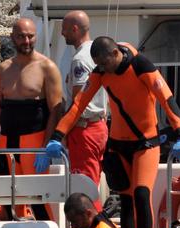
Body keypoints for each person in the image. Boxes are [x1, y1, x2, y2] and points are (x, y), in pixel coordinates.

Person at [46, 36, 180, 228]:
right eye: (98, 65)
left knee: (142, 195)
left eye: (105, 63)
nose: (103, 69)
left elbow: (167, 99)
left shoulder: (141, 66)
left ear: (114, 53)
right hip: (118, 145)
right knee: (126, 201)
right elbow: (79, 104)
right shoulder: (101, 72)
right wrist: (57, 136)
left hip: (146, 143)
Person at [0, 17, 64, 221]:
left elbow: (56, 109)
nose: (26, 41)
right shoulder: (4, 69)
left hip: (33, 142)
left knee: (38, 197)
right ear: (12, 38)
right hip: (7, 142)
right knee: (9, 198)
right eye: (21, 36)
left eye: (30, 36)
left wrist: (46, 146)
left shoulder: (47, 67)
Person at [61, 11, 108, 210]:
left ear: (74, 29)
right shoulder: (95, 53)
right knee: (92, 180)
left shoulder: (80, 59)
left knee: (84, 187)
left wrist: (61, 132)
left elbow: (79, 102)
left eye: (64, 29)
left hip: (84, 130)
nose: (62, 34)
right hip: (98, 127)